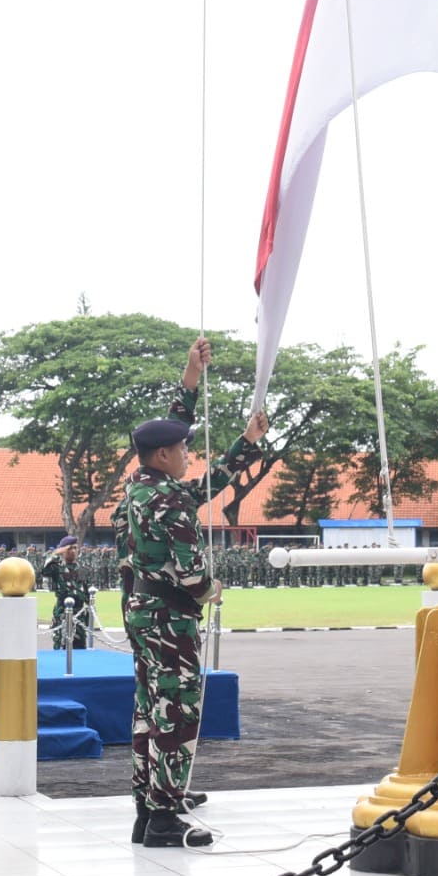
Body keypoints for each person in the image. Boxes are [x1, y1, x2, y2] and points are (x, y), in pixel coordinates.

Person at [116, 336, 268, 847]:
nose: (187, 454)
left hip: (142, 610)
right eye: (182, 449)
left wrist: (193, 379)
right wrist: (210, 590)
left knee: (148, 709)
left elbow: (210, 479)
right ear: (164, 454)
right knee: (178, 711)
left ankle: (146, 808)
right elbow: (190, 572)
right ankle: (164, 820)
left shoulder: (142, 486)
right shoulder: (169, 501)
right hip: (169, 615)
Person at [42, 535, 88, 650]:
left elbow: (86, 590)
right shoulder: (57, 568)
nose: (73, 551)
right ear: (63, 551)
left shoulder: (82, 568)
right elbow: (44, 571)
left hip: (80, 613)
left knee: (80, 648)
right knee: (61, 646)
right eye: (70, 548)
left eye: (75, 548)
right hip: (63, 611)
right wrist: (56, 553)